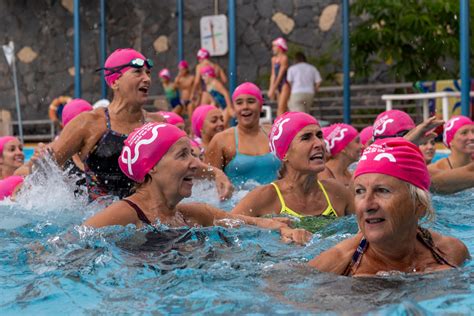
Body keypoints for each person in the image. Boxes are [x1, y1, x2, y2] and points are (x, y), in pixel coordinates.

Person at [15, 48, 232, 201]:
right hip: (101, 222)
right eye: (137, 72)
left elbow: (186, 162)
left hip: (147, 214)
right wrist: (30, 176)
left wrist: (216, 174)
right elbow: (46, 171)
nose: (147, 78)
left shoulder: (156, 124)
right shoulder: (89, 124)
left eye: (148, 72)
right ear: (114, 81)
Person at [83, 122, 311, 245]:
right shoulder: (126, 214)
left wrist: (277, 227)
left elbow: (235, 220)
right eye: (183, 155)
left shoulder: (188, 215)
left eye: (193, 154)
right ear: (151, 166)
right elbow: (69, 245)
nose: (196, 164)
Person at [309, 138, 470, 276]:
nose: (367, 204)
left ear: (419, 205)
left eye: (382, 191)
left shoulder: (452, 253)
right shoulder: (332, 266)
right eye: (360, 191)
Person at [232, 112, 354, 218]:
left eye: (319, 136)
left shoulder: (338, 193)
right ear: (284, 154)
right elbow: (223, 229)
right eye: (306, 138)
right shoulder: (265, 198)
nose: (319, 144)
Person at [205, 82, 281, 188]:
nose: (245, 107)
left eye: (251, 101)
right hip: (237, 204)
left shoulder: (273, 134)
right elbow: (207, 185)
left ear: (260, 105)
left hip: (275, 203)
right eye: (239, 103)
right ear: (234, 107)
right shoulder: (221, 140)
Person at [428, 115, 474, 194]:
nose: (472, 137)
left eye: (473, 132)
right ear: (450, 141)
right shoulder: (435, 170)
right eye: (464, 133)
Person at [268, 37, 290, 116]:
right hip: (278, 86)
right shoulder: (273, 59)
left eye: (274, 46)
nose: (273, 48)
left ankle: (278, 124)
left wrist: (273, 89)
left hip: (284, 85)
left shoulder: (284, 58)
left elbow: (280, 75)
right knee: (283, 108)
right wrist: (271, 88)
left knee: (281, 108)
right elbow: (273, 74)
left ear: (279, 47)